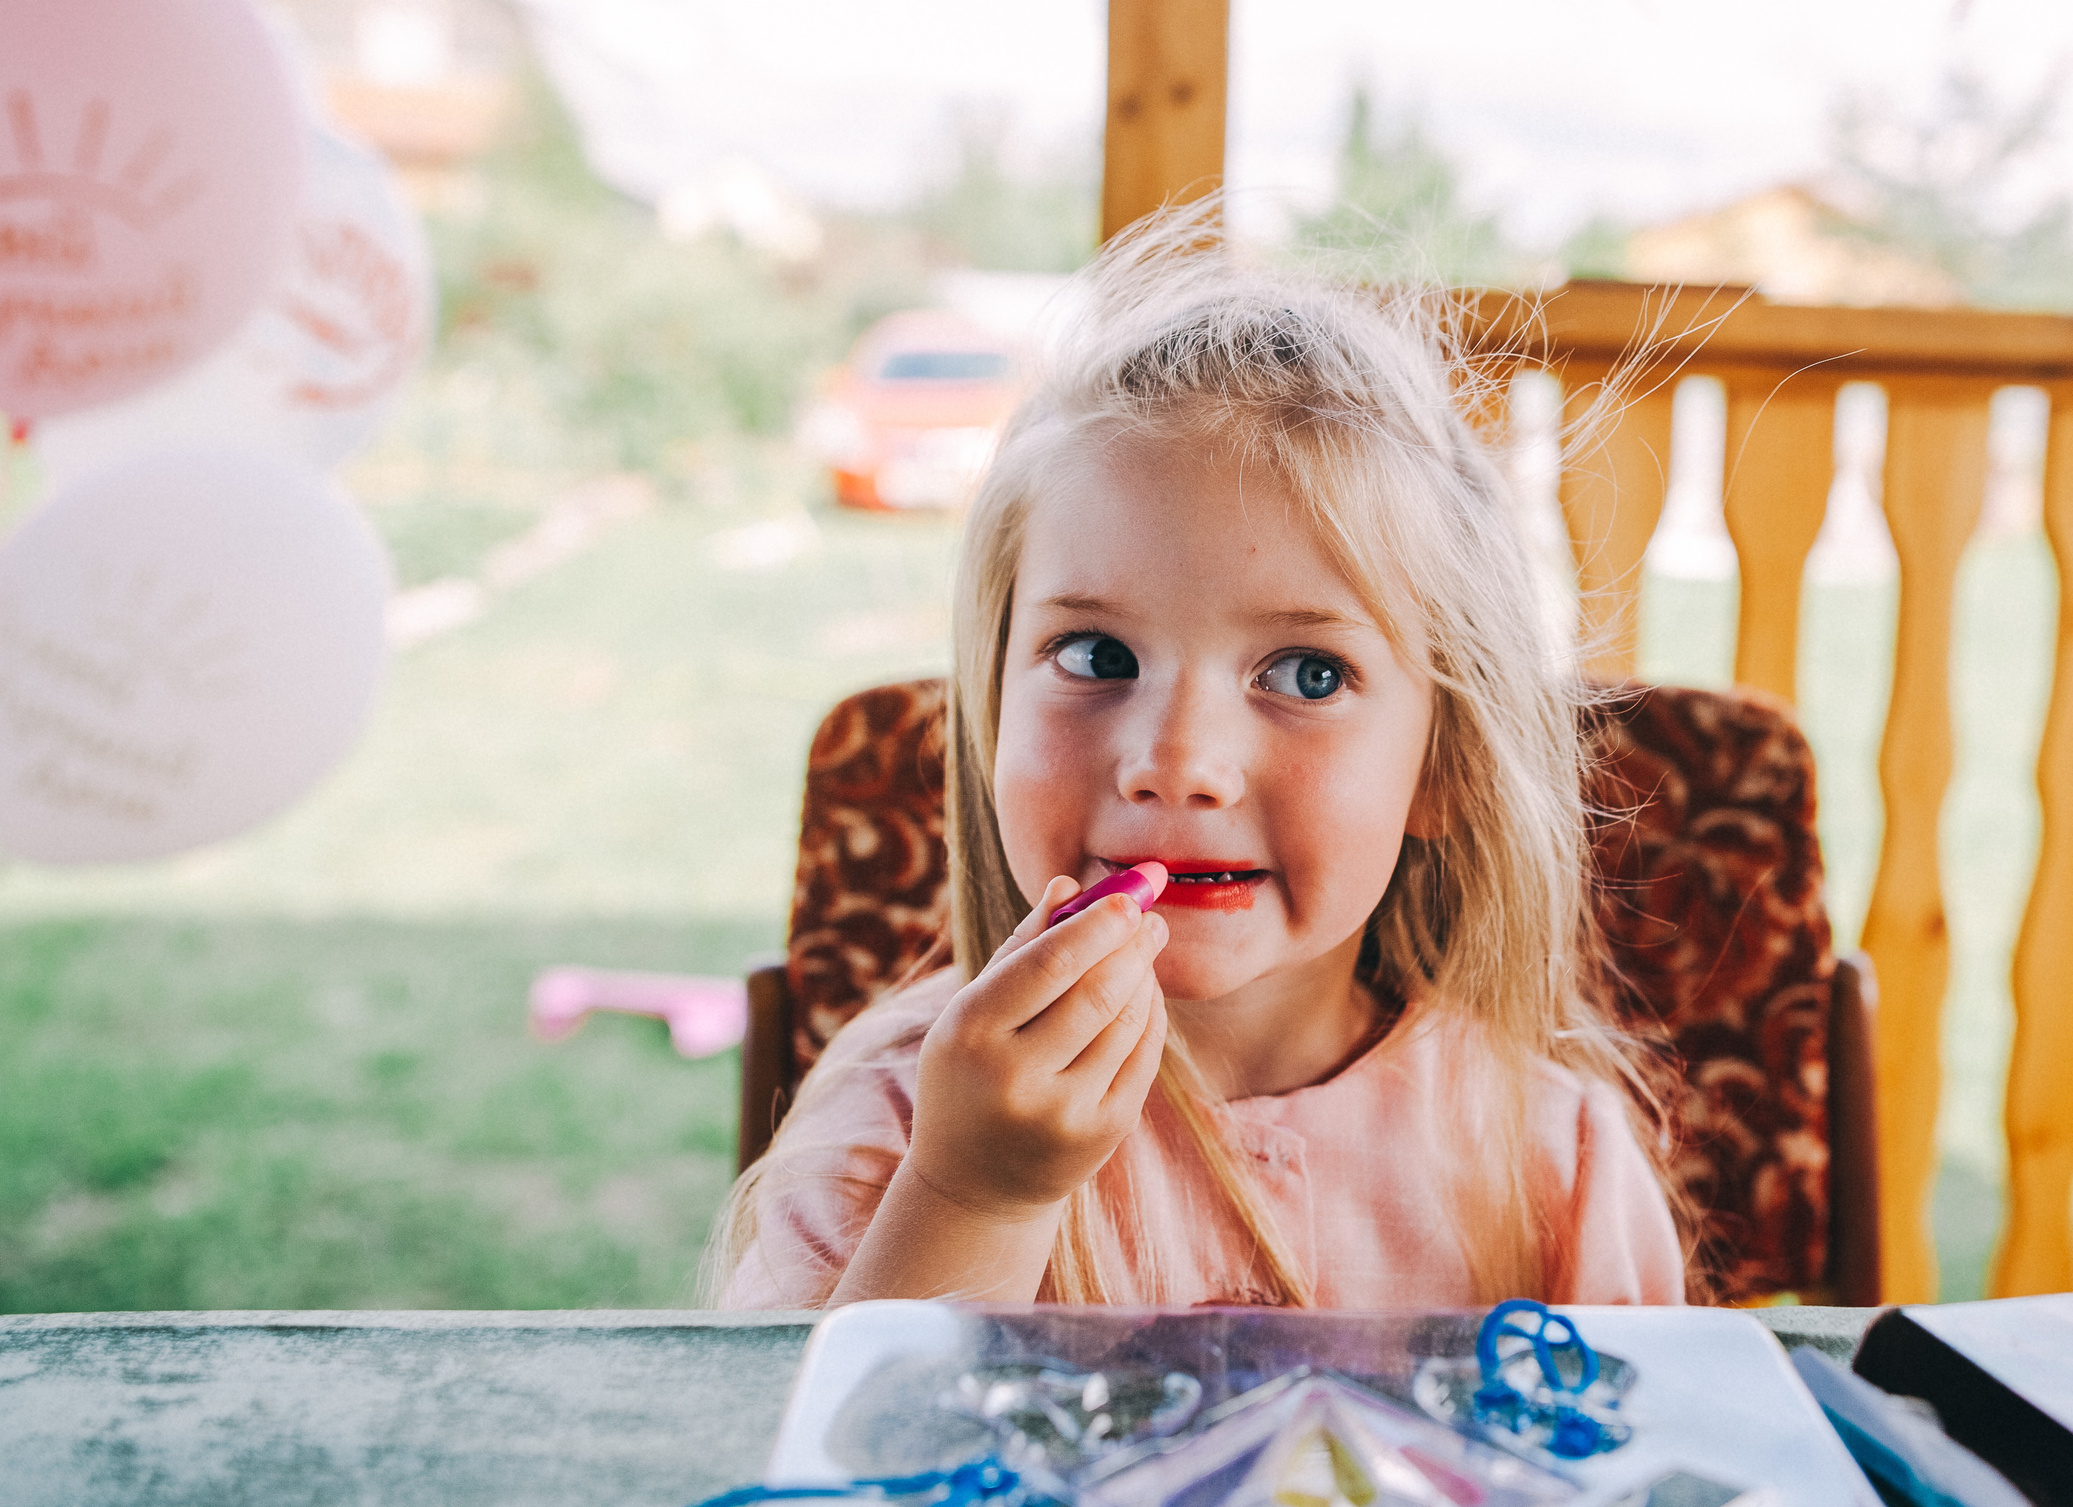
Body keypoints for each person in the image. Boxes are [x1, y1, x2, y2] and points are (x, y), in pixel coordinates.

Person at [711, 215, 1686, 1309]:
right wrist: (975, 1201)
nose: (1175, 764)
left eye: (1307, 673)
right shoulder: (896, 1123)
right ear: (990, 709)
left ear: (1443, 768)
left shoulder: (1557, 1163)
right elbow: (817, 1473)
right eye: (1095, 655)